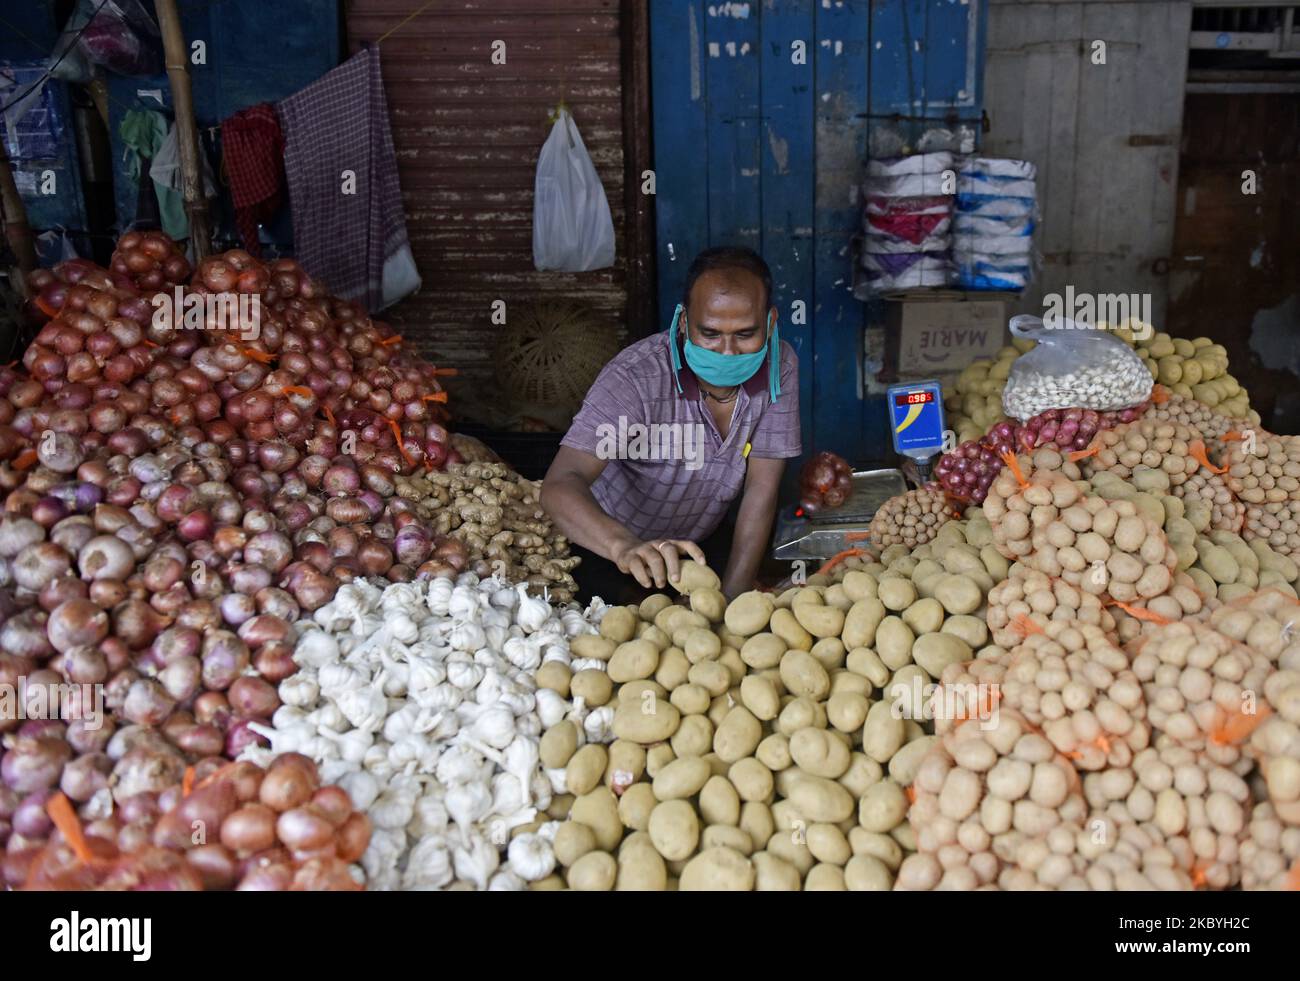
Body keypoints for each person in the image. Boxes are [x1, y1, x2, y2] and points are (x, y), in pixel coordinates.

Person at [541, 247, 801, 603]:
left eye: (745, 334)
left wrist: (732, 600)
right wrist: (624, 546)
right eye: (709, 333)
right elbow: (560, 483)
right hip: (609, 548)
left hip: (697, 549)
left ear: (771, 323)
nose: (727, 351)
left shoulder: (779, 366)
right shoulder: (635, 377)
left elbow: (761, 489)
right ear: (683, 322)